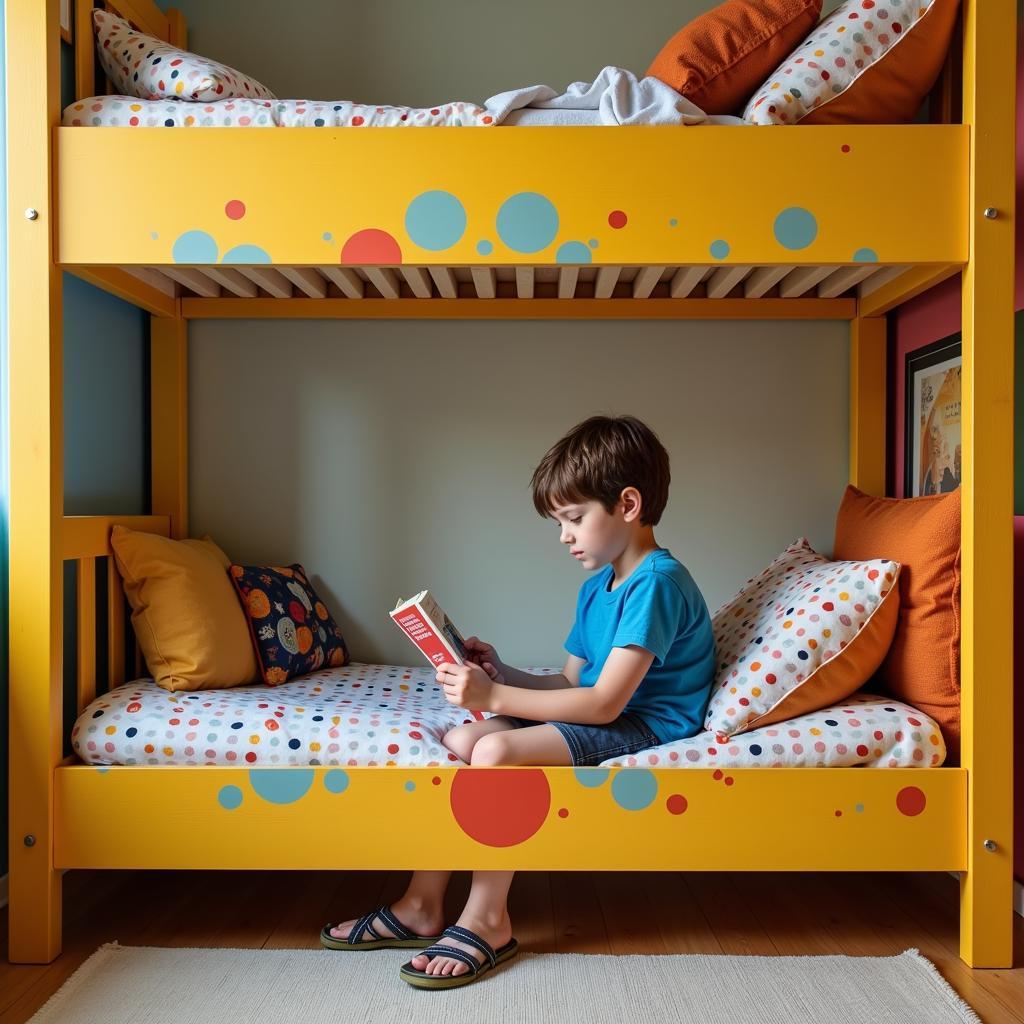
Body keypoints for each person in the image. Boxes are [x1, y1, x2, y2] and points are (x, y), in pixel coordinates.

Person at [321, 414, 716, 989]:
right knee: (460, 740)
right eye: (560, 522)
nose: (565, 536)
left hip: (648, 725)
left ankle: (488, 919)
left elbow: (605, 705)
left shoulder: (657, 583)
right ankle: (422, 905)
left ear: (628, 505)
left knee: (497, 752)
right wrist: (499, 671)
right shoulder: (597, 587)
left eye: (575, 519)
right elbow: (570, 684)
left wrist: (496, 696)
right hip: (613, 713)